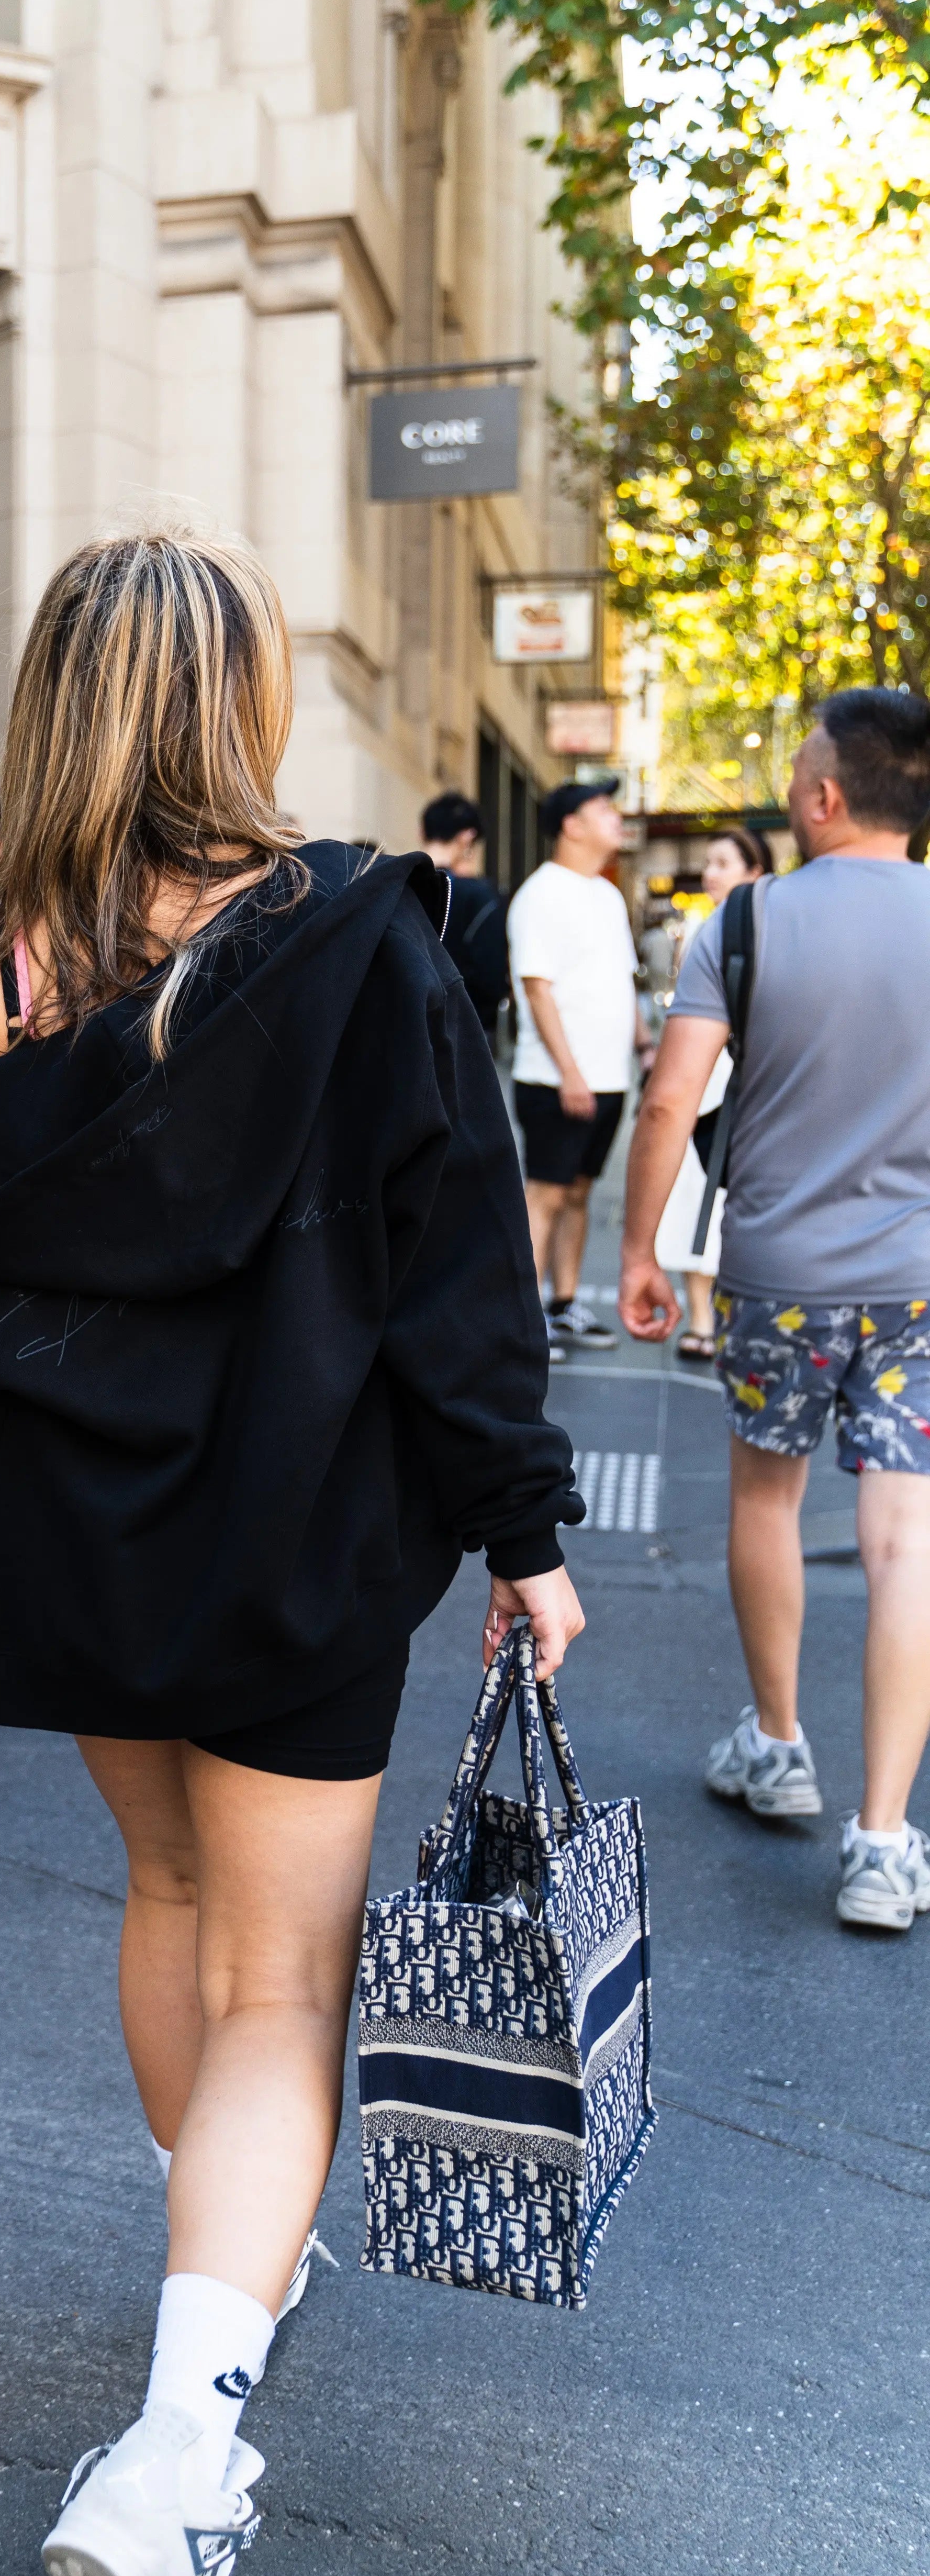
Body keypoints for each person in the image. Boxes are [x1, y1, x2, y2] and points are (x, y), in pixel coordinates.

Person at [0, 531, 583, 2576]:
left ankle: (214, 2268)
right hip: (293, 1527)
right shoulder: (367, 936)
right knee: (284, 1977)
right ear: (243, 698)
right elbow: (463, 1277)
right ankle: (188, 2442)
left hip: (67, 1529)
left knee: (169, 1895)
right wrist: (524, 1534)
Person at [620, 690, 930, 1934]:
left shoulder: (743, 922)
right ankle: (881, 1839)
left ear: (826, 795)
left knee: (765, 1495)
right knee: (905, 1542)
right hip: (916, 1284)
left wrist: (640, 1246)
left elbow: (667, 1099)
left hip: (775, 1276)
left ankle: (779, 1741)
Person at [506, 777, 650, 1358]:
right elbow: (536, 992)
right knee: (543, 1196)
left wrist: (644, 1045)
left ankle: (563, 1307)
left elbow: (621, 981)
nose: (617, 819)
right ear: (572, 825)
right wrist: (569, 1072)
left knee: (579, 1194)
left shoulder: (607, 895)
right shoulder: (540, 895)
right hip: (555, 1081)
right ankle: (522, 1319)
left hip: (608, 1078)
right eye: (604, 810)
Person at [649, 829, 775, 1365]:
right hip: (701, 1083)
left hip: (747, 1084)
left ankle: (729, 1313)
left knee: (735, 1203)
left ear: (755, 871)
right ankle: (701, 1317)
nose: (710, 873)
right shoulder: (704, 926)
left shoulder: (773, 927)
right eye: (708, 862)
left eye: (722, 862)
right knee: (690, 1200)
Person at [418, 789, 508, 1039]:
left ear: (422, 832)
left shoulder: (393, 884)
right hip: (461, 1031)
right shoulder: (480, 897)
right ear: (468, 837)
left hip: (402, 1026)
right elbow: (491, 974)